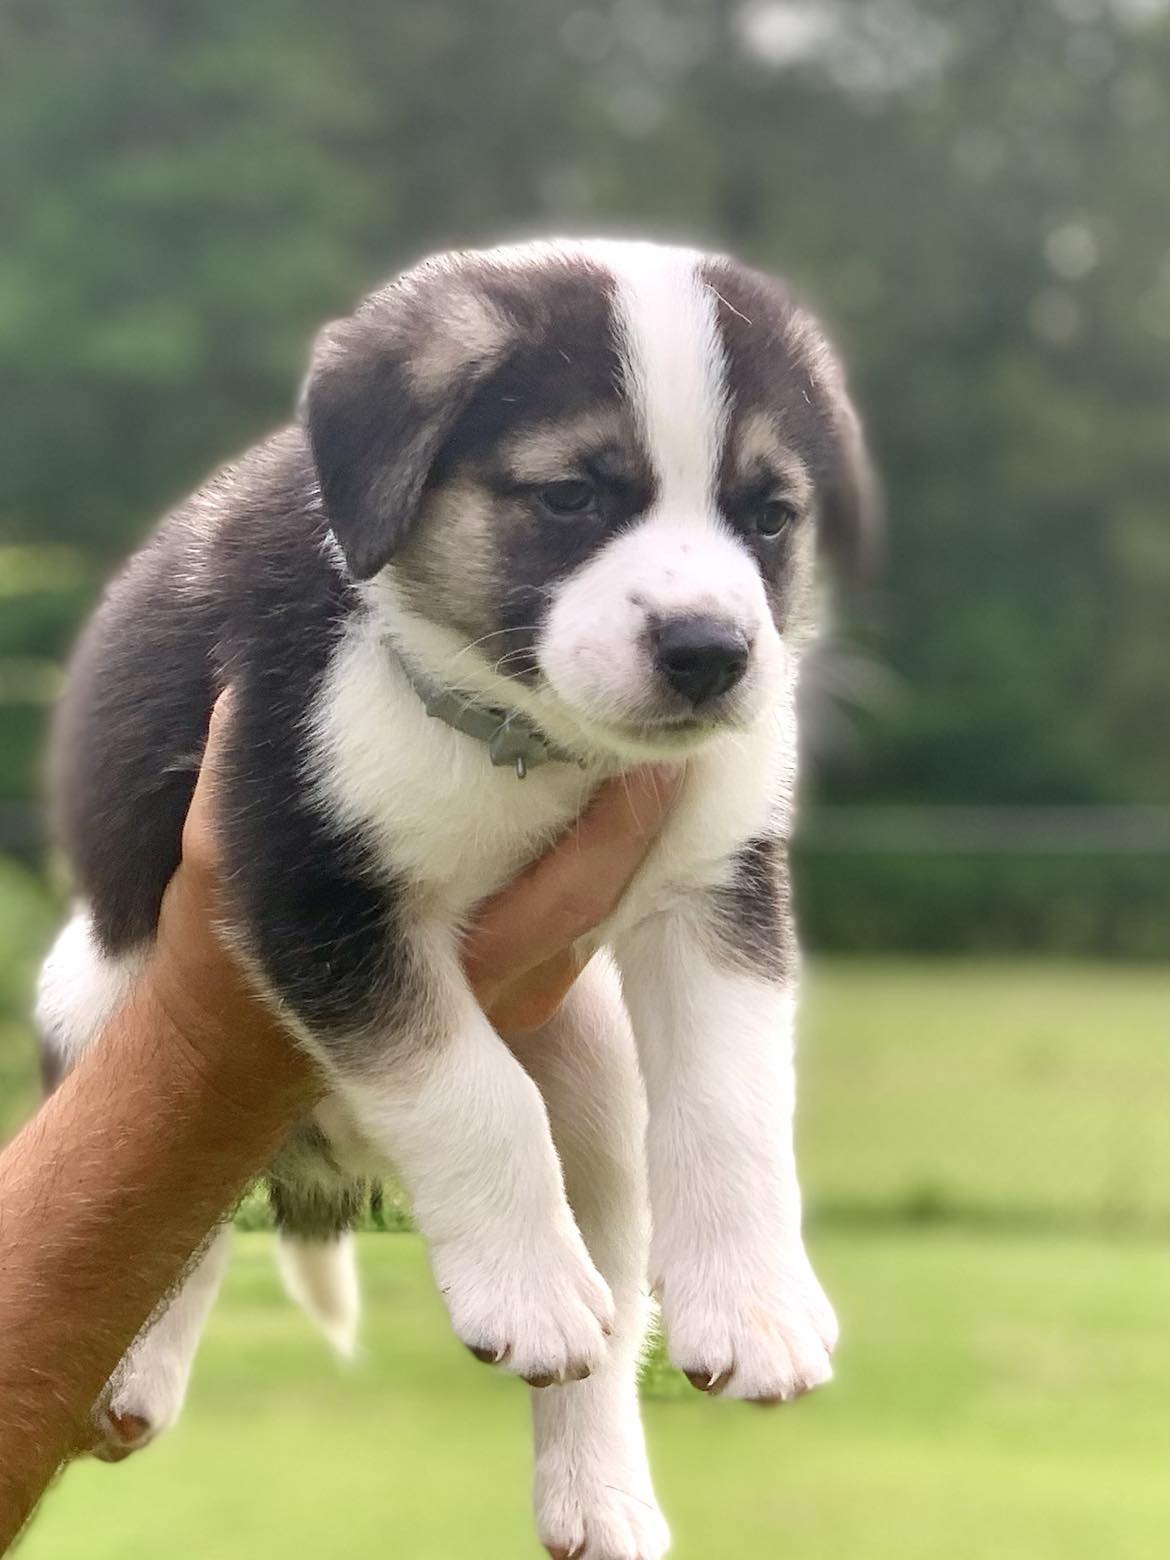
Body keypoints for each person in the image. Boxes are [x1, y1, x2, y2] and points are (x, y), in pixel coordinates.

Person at [0, 694, 679, 1550]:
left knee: (601, 1084)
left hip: (508, 939)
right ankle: (174, 1289)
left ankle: (594, 1436)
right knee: (79, 991)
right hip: (285, 914)